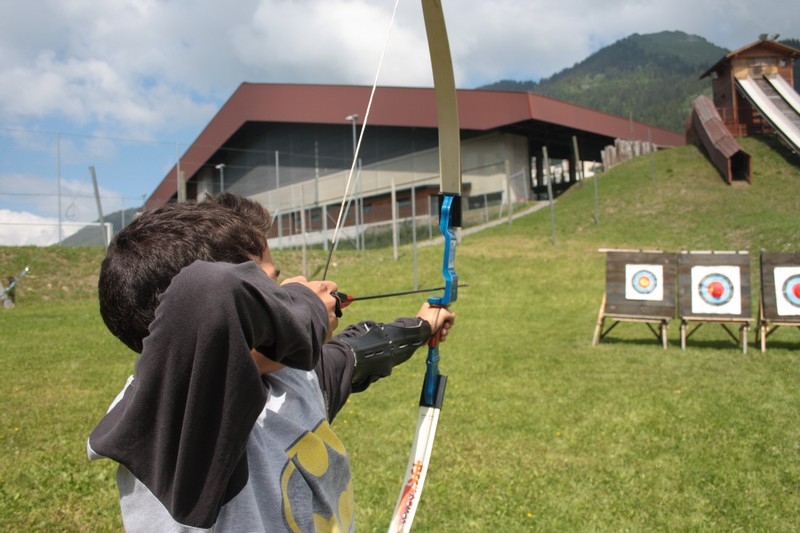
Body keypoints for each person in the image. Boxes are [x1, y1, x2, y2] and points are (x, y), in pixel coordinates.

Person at [88, 193, 454, 532]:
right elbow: (207, 294)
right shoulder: (171, 415)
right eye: (267, 288)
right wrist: (302, 308)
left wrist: (420, 326)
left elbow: (354, 354)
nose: (282, 295)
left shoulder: (288, 380)